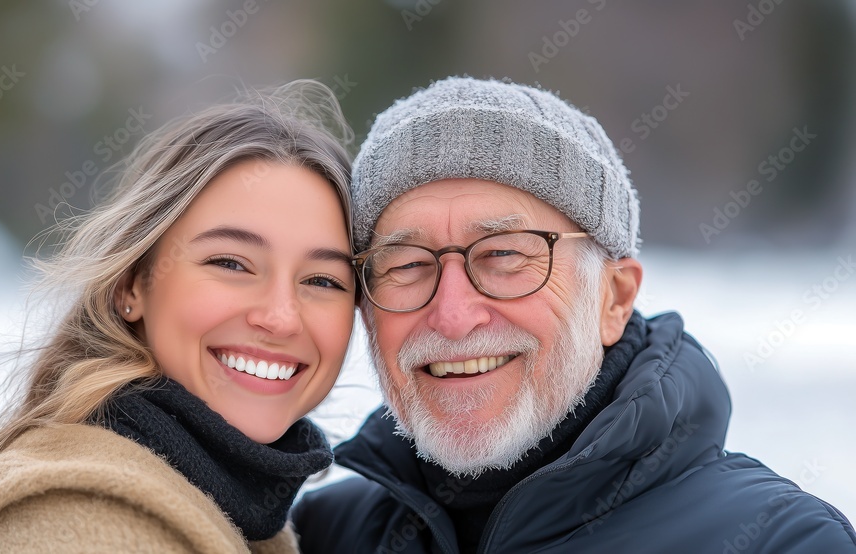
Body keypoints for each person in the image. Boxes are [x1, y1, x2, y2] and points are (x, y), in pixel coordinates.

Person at [292, 76, 856, 553]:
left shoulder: (782, 541)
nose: (454, 315)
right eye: (407, 265)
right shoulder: (318, 537)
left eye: (505, 255)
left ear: (613, 299)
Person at [0, 80, 357, 553]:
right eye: (230, 263)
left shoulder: (246, 511)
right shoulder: (79, 525)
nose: (281, 318)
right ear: (132, 284)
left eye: (322, 281)